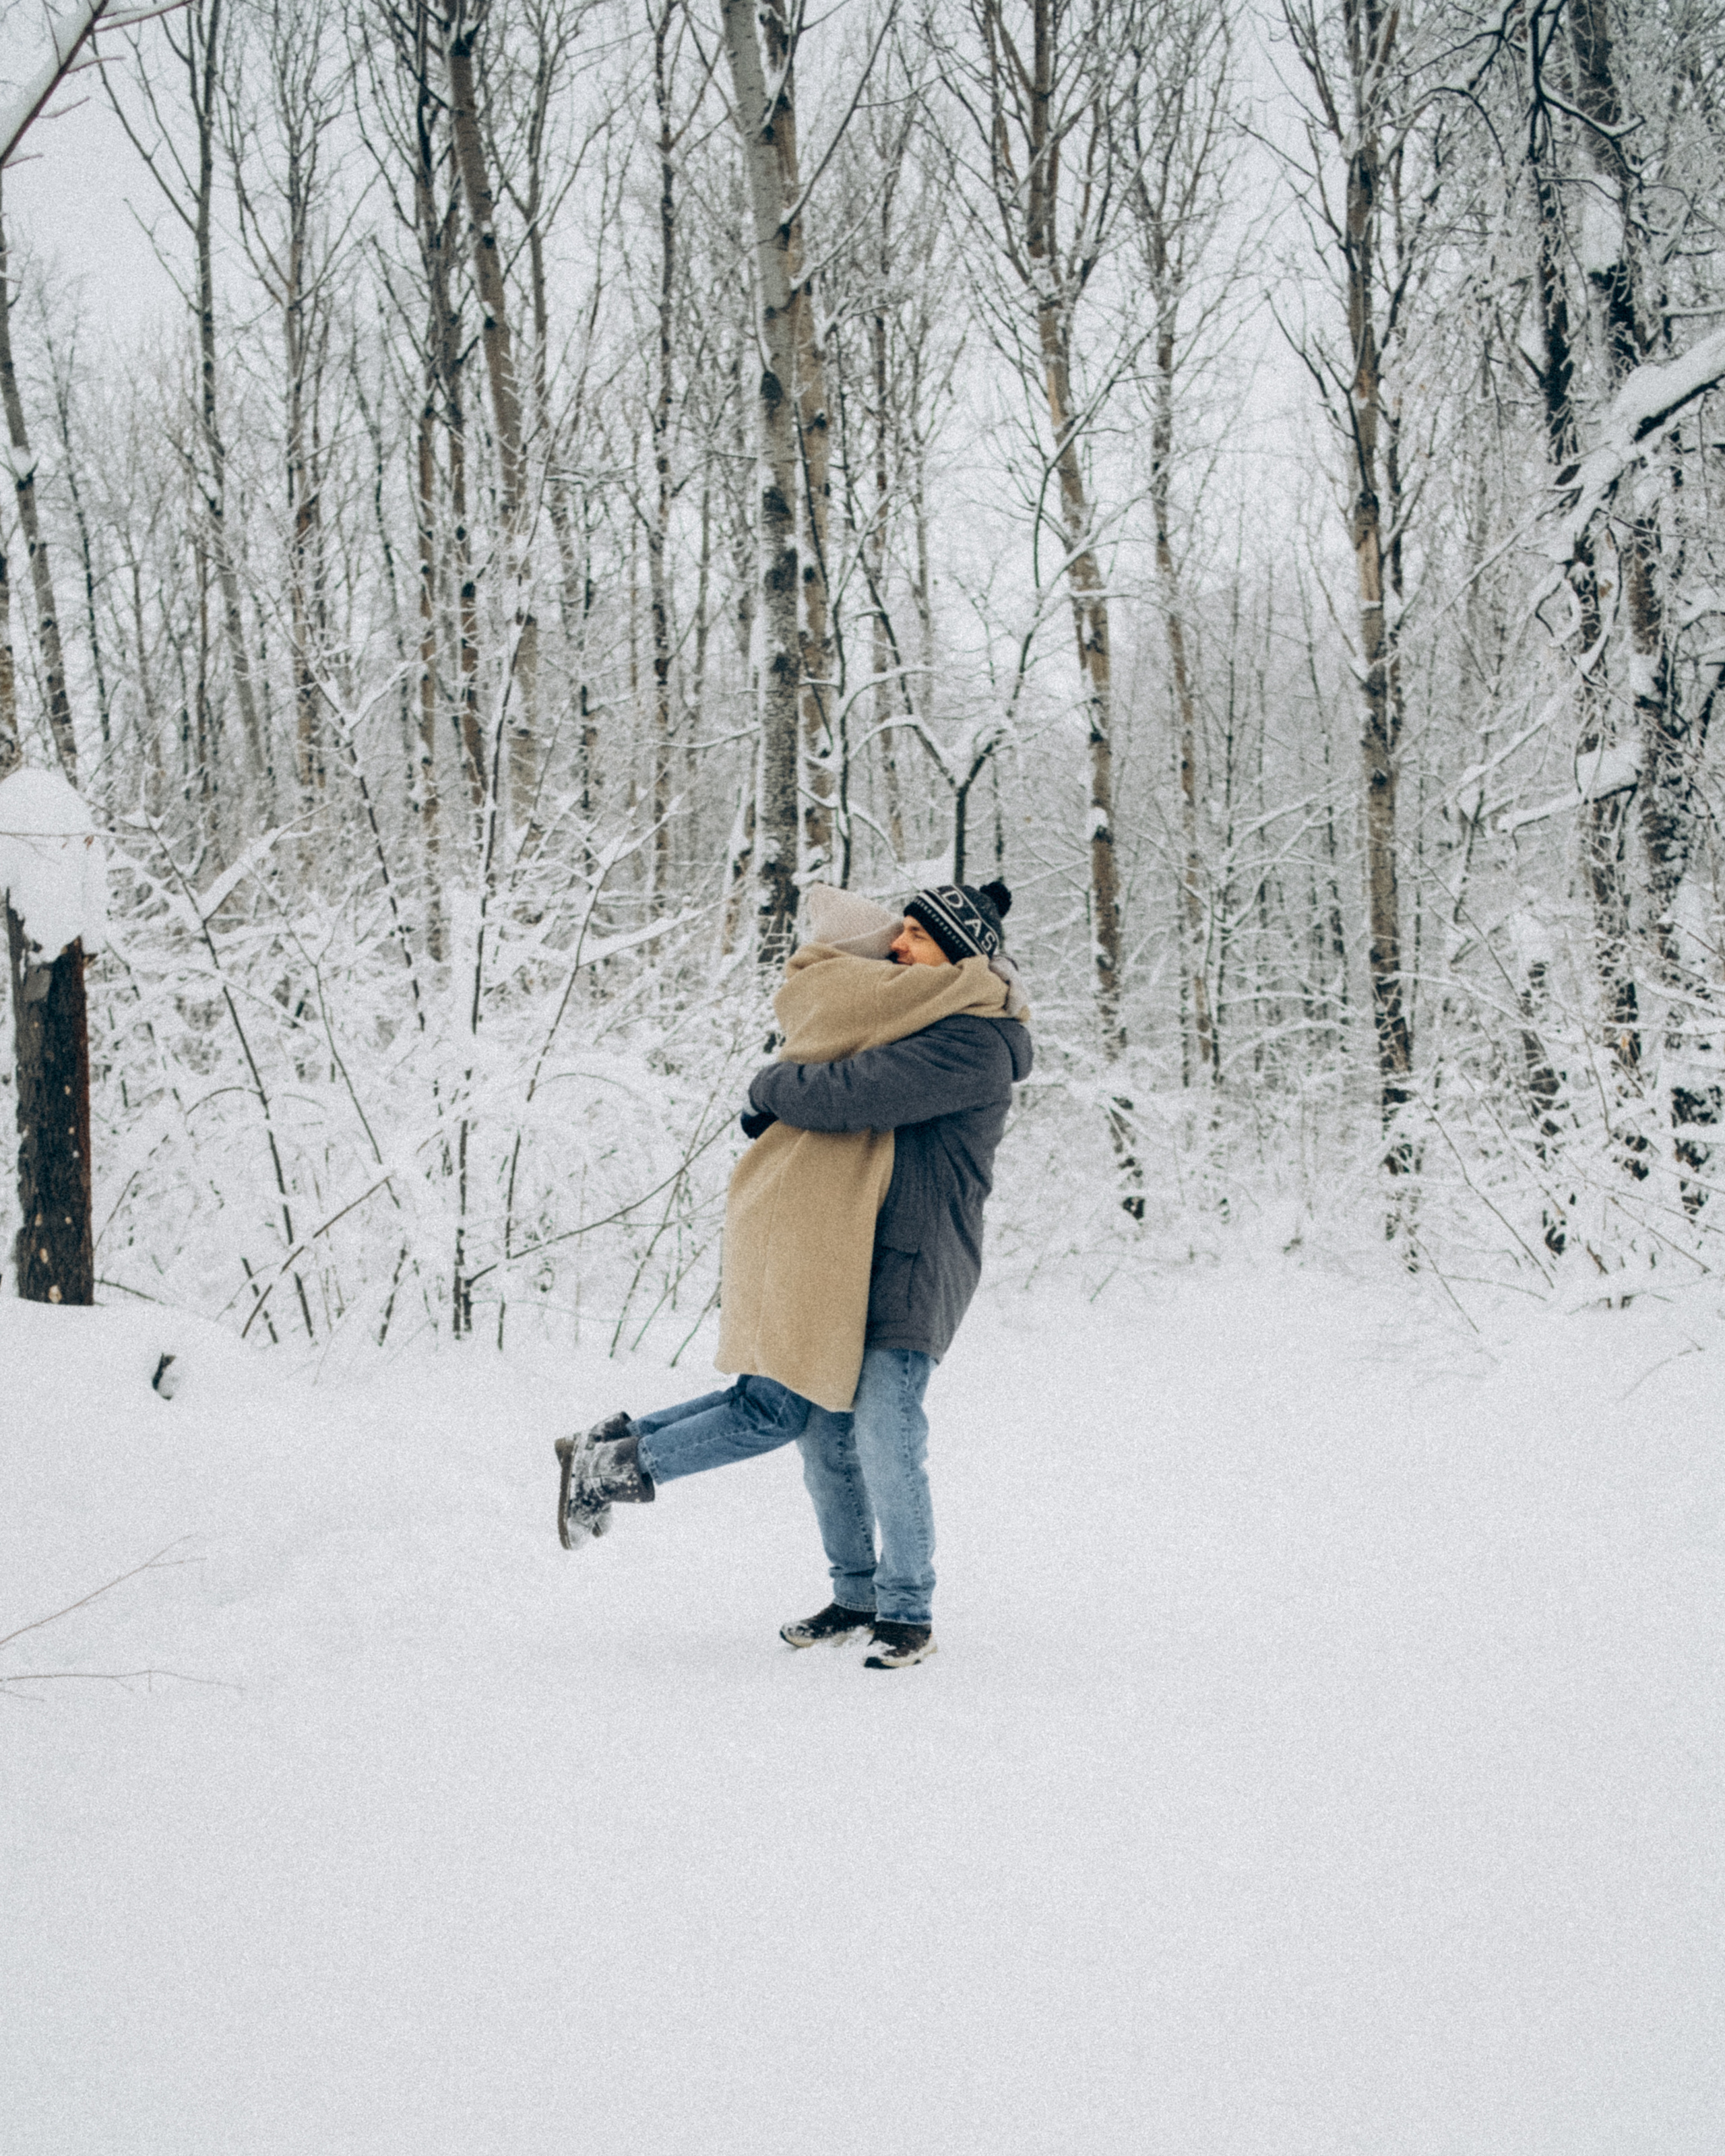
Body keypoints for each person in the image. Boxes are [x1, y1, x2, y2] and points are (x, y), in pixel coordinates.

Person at [555, 879, 1032, 1670]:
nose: (897, 946)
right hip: (846, 1253)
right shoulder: (919, 1017)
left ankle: (907, 1612)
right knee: (815, 1428)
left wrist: (768, 1087)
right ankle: (853, 1595)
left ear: (959, 949)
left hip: (913, 1263)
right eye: (899, 931)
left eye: (915, 934)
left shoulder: (973, 1042)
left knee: (884, 1431)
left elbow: (851, 1089)